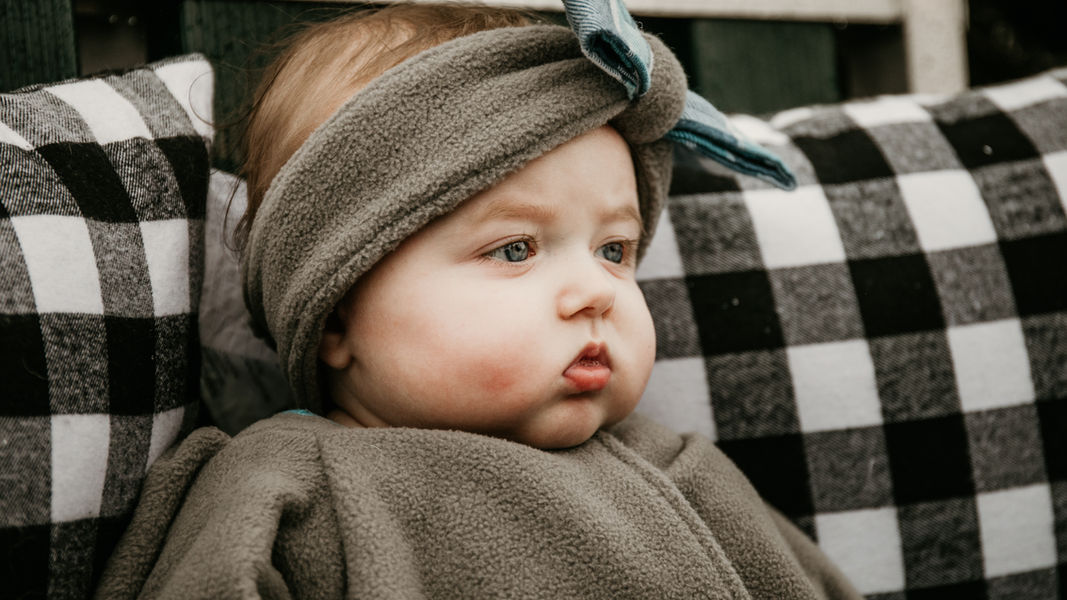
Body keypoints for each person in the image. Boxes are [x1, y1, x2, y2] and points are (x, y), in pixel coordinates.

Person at [95, 4, 860, 599]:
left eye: (614, 250)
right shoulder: (286, 489)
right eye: (515, 249)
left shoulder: (678, 472)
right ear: (335, 314)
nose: (597, 292)